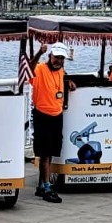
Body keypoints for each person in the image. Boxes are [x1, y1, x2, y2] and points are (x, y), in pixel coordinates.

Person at [29, 42, 76, 203]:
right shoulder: (41, 68)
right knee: (45, 154)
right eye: (56, 57)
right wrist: (38, 53)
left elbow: (62, 78)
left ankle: (42, 185)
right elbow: (29, 69)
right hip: (43, 114)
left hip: (56, 114)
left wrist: (67, 82)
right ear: (50, 56)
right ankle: (47, 187)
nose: (58, 61)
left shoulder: (61, 70)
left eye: (61, 58)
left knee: (51, 152)